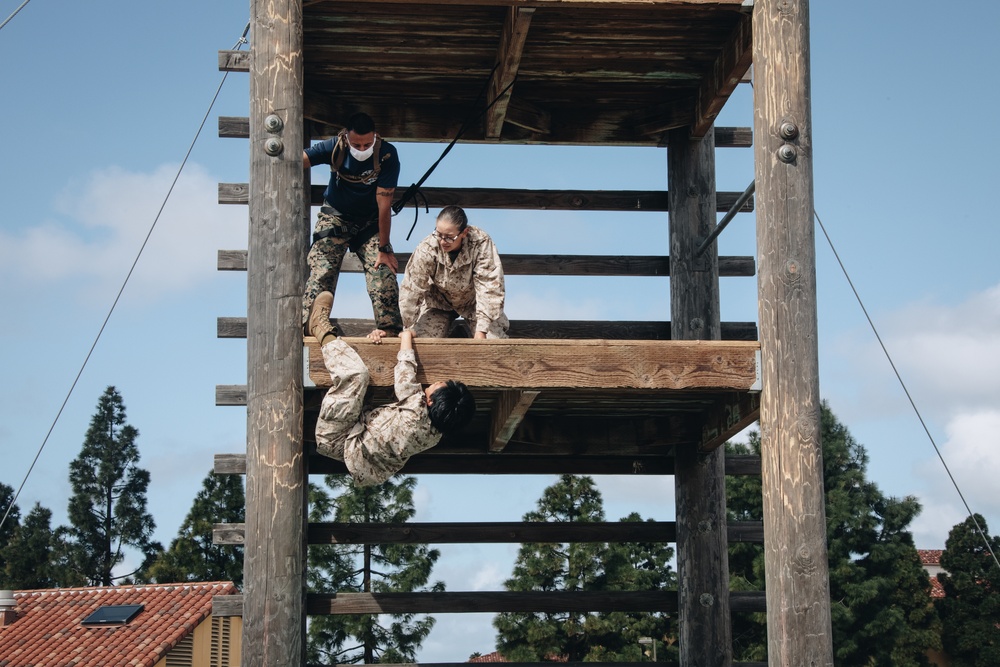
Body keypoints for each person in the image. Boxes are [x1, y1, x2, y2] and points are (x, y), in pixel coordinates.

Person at [308, 291, 476, 485]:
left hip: (337, 438)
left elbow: (405, 371)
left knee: (356, 376)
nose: (435, 382)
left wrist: (406, 337)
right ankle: (318, 398)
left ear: (430, 401)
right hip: (355, 443)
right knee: (370, 382)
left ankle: (320, 330)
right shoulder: (434, 435)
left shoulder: (415, 413)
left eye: (437, 385)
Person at [302, 112, 403, 340]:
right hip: (336, 216)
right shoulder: (334, 147)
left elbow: (384, 205)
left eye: (367, 143)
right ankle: (312, 322)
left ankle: (389, 329)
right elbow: (298, 159)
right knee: (322, 266)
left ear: (376, 136)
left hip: (370, 220)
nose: (362, 147)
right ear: (346, 137)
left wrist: (384, 248)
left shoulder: (387, 155)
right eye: (356, 143)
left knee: (383, 271)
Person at [399, 205, 509, 339]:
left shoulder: (480, 243)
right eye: (439, 234)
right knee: (421, 342)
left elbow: (489, 286)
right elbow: (412, 289)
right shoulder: (427, 248)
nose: (443, 241)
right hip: (439, 304)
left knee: (493, 343)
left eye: (449, 237)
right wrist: (407, 326)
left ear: (464, 232)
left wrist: (482, 330)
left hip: (474, 304)